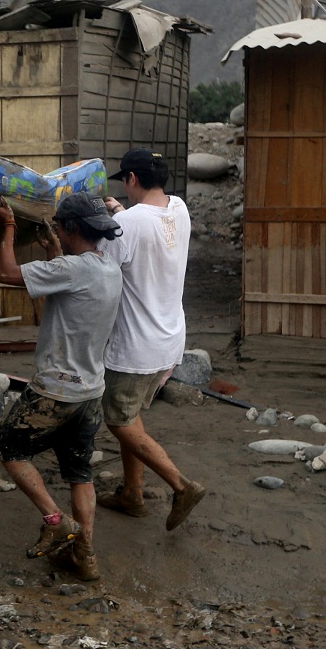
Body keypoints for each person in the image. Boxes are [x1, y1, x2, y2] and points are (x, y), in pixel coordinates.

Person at [0, 193, 123, 580]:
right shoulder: (108, 268)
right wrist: (54, 254)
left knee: (10, 448)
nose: (57, 233)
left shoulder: (72, 268)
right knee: (79, 474)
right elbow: (70, 290)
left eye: (60, 227)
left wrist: (8, 227)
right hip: (90, 393)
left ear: (70, 228)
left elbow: (6, 274)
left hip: (55, 391)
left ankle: (53, 520)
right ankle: (85, 556)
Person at [96, 148, 207, 530]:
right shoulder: (179, 208)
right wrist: (121, 215)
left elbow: (102, 272)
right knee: (132, 413)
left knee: (117, 419)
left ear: (131, 180)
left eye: (124, 183)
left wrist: (115, 222)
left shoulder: (126, 225)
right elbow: (147, 225)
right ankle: (132, 493)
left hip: (135, 346)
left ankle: (181, 485)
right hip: (169, 339)